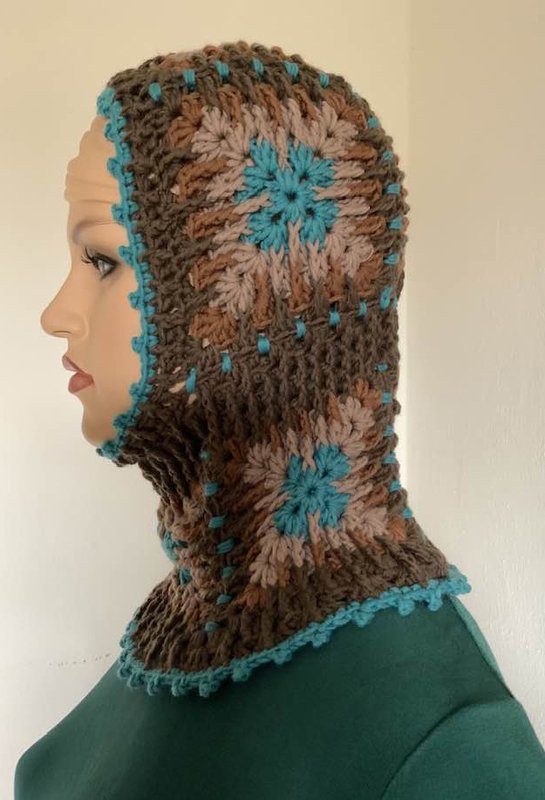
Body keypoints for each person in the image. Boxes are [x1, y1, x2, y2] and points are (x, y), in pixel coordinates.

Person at [15, 40, 545, 799]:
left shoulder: (441, 741)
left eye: (101, 261)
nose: (55, 315)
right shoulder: (193, 618)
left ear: (258, 298)